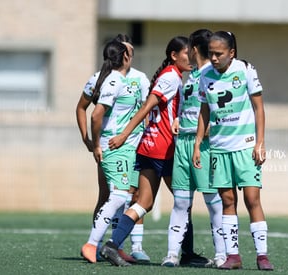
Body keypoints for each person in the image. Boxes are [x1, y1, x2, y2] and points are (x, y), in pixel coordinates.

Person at [98, 35, 204, 267]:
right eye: (187, 53)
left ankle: (112, 245)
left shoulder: (173, 76)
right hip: (162, 149)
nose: (192, 57)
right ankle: (186, 253)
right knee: (183, 200)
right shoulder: (171, 78)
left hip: (149, 146)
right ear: (174, 56)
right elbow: (148, 106)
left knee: (143, 203)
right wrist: (125, 134)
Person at [192, 31, 274, 271]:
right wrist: (198, 143)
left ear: (231, 53)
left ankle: (262, 255)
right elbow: (204, 111)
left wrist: (260, 142)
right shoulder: (204, 75)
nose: (214, 58)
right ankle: (233, 256)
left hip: (245, 146)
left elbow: (259, 108)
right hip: (219, 148)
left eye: (219, 54)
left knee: (252, 199)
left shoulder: (245, 70)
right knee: (227, 200)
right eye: (211, 54)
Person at [77, 34, 150, 264]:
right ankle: (94, 244)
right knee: (114, 196)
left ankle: (114, 245)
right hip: (114, 146)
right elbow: (91, 112)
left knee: (125, 197)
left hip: (130, 146)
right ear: (125, 56)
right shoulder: (109, 80)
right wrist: (91, 141)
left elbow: (144, 111)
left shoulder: (137, 78)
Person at [161, 29, 226, 268]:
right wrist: (178, 119)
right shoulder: (192, 76)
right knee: (180, 202)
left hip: (205, 146)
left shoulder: (213, 75)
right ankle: (171, 254)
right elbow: (188, 106)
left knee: (213, 201)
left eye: (188, 50)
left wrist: (207, 131)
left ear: (194, 49)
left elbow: (218, 109)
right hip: (183, 144)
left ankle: (221, 254)